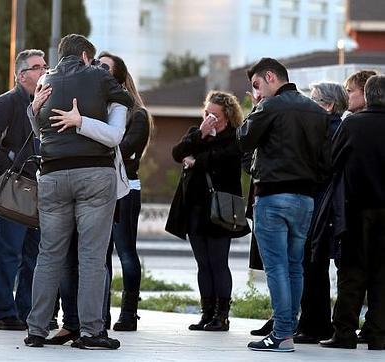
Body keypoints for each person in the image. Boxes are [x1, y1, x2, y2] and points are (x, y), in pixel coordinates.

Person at [23, 34, 133, 349]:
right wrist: (83, 120)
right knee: (92, 257)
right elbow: (114, 135)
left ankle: (36, 330)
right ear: (86, 57)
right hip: (94, 174)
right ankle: (91, 332)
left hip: (52, 175)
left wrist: (35, 111)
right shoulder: (102, 79)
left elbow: (42, 132)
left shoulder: (46, 81)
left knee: (48, 254)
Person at [238, 58, 329, 352]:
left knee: (276, 267)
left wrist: (256, 105)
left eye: (256, 85)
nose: (257, 92)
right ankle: (287, 331)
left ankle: (281, 333)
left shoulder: (269, 106)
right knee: (294, 268)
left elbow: (243, 139)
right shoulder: (317, 111)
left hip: (274, 195)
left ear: (269, 76)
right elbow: (326, 160)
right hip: (305, 199)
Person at [167, 91, 247, 332]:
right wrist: (201, 134)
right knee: (202, 263)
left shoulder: (235, 136)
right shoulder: (196, 133)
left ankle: (222, 316)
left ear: (227, 116)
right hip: (194, 208)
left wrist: (196, 161)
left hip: (220, 208)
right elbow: (177, 153)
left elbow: (226, 161)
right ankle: (206, 313)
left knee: (218, 262)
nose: (209, 117)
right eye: (206, 113)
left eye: (214, 114)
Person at [0, 49, 44, 331]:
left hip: (42, 189)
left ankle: (26, 311)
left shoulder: (48, 103)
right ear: (22, 75)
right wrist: (11, 169)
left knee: (34, 256)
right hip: (14, 190)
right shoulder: (6, 102)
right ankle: (4, 313)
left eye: (45, 65)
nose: (45, 70)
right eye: (38, 67)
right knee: (7, 255)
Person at [320, 75, 385, 351]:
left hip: (355, 210)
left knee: (352, 273)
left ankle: (344, 332)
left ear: (367, 96)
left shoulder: (353, 124)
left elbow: (332, 162)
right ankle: (377, 333)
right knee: (382, 274)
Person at [97, 51, 150, 332]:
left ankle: (129, 313)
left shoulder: (137, 115)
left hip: (126, 188)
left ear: (118, 75)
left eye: (104, 66)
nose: (98, 68)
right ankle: (99, 315)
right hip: (102, 186)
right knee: (101, 254)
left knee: (126, 251)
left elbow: (123, 149)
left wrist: (97, 139)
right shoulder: (101, 107)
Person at [291, 82, 348, 345]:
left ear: (328, 105)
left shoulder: (330, 130)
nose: (309, 104)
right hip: (320, 204)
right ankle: (314, 324)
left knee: (312, 266)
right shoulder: (331, 128)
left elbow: (324, 167)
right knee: (313, 267)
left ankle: (315, 325)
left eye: (313, 100)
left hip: (320, 205)